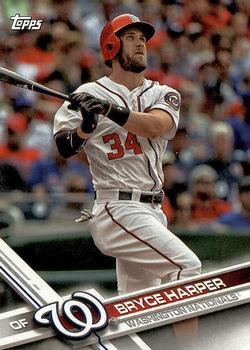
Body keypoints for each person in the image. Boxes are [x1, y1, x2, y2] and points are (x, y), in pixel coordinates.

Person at [53, 14, 201, 296]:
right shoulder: (88, 93)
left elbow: (156, 126)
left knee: (139, 307)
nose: (140, 44)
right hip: (117, 207)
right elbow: (64, 146)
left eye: (143, 38)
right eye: (130, 37)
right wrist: (85, 127)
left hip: (153, 211)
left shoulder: (163, 93)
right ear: (111, 45)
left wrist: (108, 110)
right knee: (187, 269)